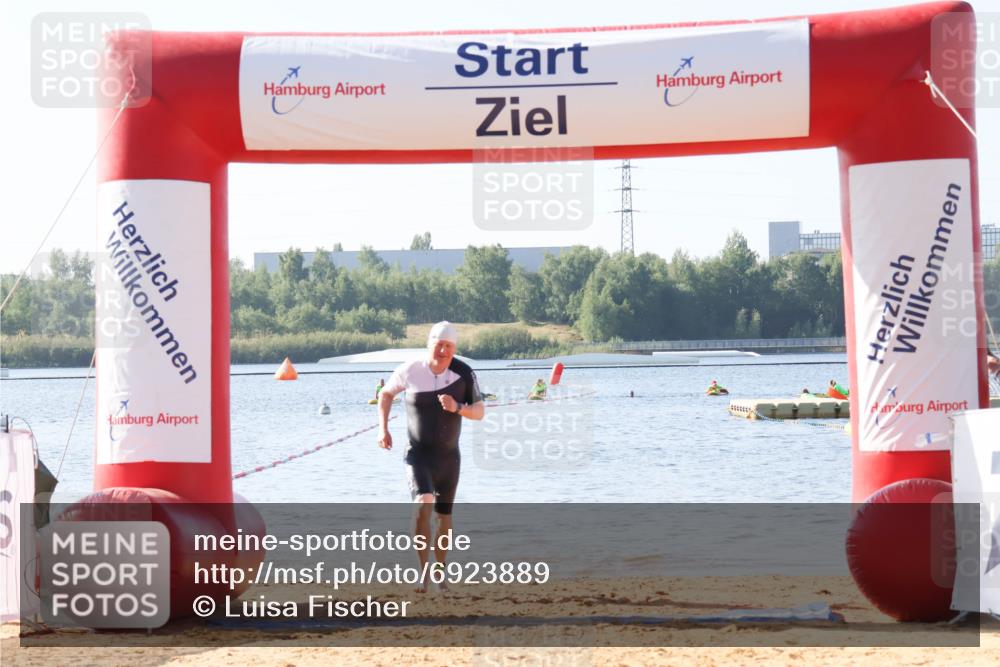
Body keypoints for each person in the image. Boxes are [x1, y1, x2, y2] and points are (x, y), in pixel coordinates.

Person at [377, 321, 484, 593]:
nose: (443, 351)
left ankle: (440, 573)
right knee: (422, 503)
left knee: (443, 517)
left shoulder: (464, 373)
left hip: (449, 458)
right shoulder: (411, 369)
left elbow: (479, 412)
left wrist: (457, 407)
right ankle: (422, 573)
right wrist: (383, 429)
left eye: (449, 346)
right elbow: (386, 394)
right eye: (439, 345)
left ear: (454, 348)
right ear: (429, 345)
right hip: (418, 454)